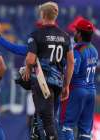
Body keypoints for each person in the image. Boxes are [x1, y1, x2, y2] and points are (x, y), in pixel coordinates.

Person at [22, 2, 75, 139]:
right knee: (52, 118)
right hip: (57, 82)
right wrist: (67, 85)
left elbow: (30, 59)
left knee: (42, 119)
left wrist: (27, 68)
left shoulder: (36, 35)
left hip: (42, 82)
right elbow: (71, 62)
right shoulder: (65, 37)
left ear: (43, 15)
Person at [59, 19, 98, 140]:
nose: (74, 33)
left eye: (76, 31)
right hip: (91, 92)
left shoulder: (78, 50)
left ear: (80, 34)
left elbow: (72, 71)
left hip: (77, 90)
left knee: (66, 126)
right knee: (85, 131)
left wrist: (64, 84)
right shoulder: (94, 50)